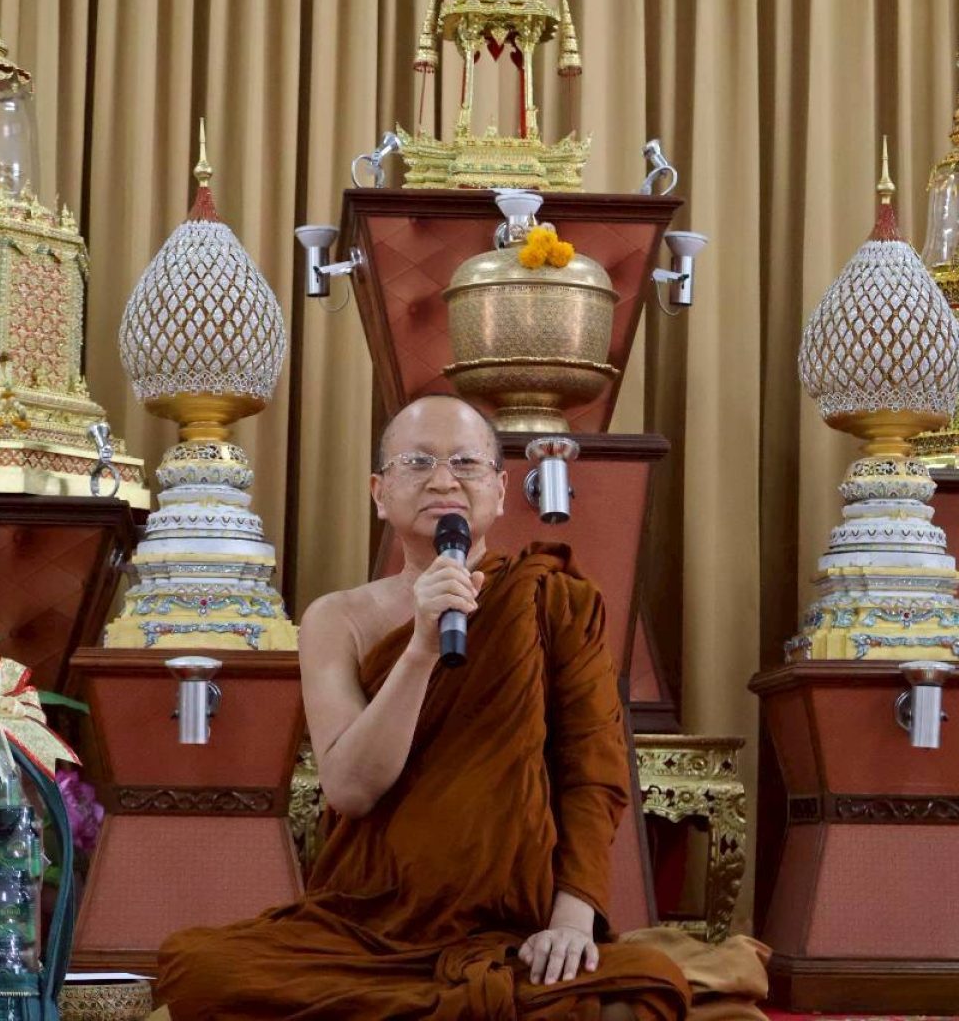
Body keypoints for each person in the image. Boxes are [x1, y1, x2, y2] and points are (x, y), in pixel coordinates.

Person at [155, 394, 691, 1020]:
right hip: (367, 922)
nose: (443, 481)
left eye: (465, 462)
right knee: (201, 969)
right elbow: (351, 789)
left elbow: (592, 775)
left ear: (499, 489)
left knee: (649, 986)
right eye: (417, 462)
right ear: (379, 493)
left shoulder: (553, 600)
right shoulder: (338, 619)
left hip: (513, 920)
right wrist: (421, 650)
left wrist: (571, 922)